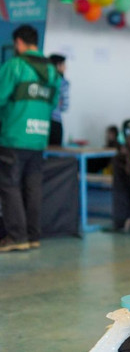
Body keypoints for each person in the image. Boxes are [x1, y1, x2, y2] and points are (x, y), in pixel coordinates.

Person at [0, 24, 60, 252]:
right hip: (38, 138)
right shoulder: (53, 71)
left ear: (18, 43)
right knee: (33, 187)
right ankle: (33, 235)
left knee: (9, 186)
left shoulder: (14, 66)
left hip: (13, 137)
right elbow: (53, 104)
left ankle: (17, 236)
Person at [47, 54, 69, 146]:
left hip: (42, 120)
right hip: (56, 122)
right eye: (64, 64)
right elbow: (65, 106)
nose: (66, 67)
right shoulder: (63, 83)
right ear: (58, 65)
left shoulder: (45, 80)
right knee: (55, 155)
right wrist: (58, 103)